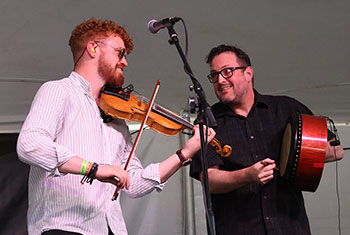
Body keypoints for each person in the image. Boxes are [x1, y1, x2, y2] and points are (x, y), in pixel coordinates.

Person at [16, 18, 215, 235]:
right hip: (64, 227)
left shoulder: (116, 120)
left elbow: (135, 183)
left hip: (110, 228)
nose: (125, 62)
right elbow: (29, 144)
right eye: (120, 53)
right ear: (93, 48)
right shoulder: (58, 91)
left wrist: (184, 153)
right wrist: (93, 169)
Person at [190, 44, 344, 235]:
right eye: (214, 75)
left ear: (248, 73)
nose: (220, 80)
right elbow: (210, 181)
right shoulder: (206, 122)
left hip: (289, 228)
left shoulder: (287, 109)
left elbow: (336, 150)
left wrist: (292, 158)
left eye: (227, 72)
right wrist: (248, 175)